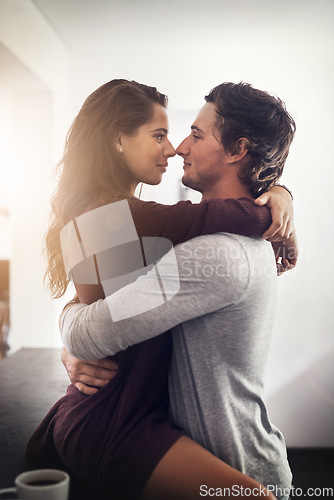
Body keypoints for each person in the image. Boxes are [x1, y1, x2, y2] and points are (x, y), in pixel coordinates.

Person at [26, 79, 295, 500]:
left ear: (238, 150)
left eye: (195, 134)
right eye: (162, 135)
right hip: (135, 423)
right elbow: (103, 315)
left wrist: (278, 197)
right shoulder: (122, 220)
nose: (177, 147)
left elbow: (100, 318)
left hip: (217, 451)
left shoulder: (213, 256)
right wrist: (274, 203)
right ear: (118, 141)